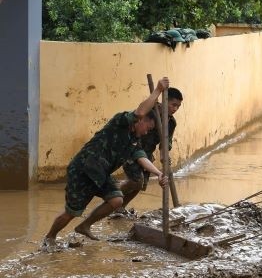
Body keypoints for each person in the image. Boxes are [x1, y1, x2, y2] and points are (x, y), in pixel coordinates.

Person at [44, 78, 170, 245]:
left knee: (116, 200)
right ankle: (50, 237)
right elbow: (139, 111)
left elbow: (141, 158)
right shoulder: (121, 121)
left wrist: (159, 173)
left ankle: (84, 226)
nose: (148, 132)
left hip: (101, 173)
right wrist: (158, 91)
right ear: (141, 121)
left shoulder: (134, 139)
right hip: (83, 170)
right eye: (149, 127)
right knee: (72, 212)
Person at [117, 87, 184, 213]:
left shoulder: (171, 123)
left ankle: (119, 208)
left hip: (147, 153)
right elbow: (136, 119)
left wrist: (164, 157)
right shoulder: (150, 110)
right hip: (132, 148)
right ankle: (112, 194)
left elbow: (165, 144)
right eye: (173, 105)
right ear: (164, 101)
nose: (175, 109)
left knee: (141, 185)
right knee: (137, 181)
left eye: (178, 106)